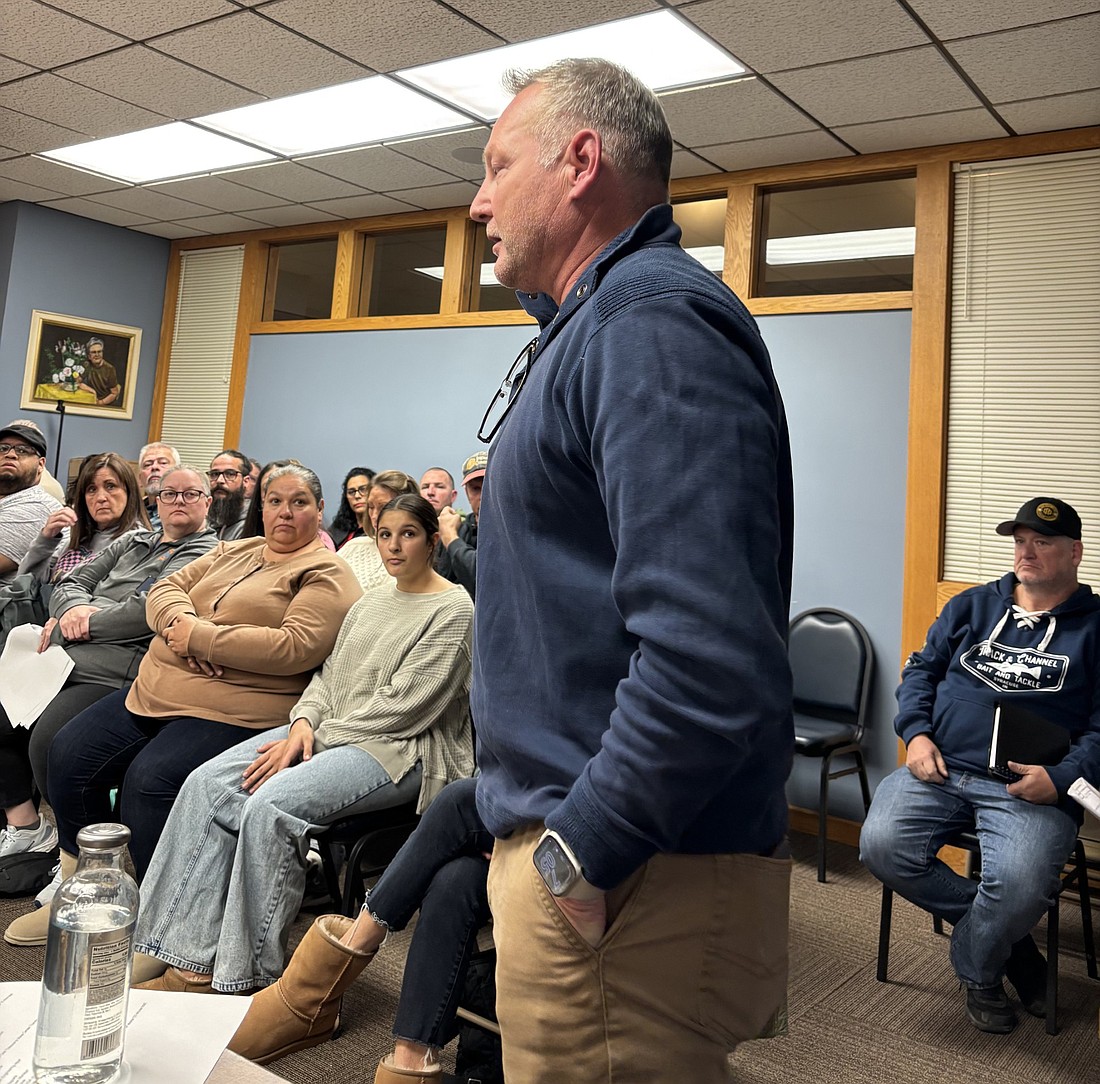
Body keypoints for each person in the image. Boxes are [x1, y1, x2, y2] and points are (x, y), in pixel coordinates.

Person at [468, 59, 794, 1082]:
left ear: (578, 162)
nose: (476, 200)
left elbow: (705, 657)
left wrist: (579, 853)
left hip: (626, 874)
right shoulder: (594, 328)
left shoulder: (644, 323)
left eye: (493, 166)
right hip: (605, 858)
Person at [3, 464, 361, 947]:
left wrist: (201, 637)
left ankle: (163, 921)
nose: (285, 512)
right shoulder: (236, 550)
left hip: (237, 708)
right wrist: (183, 626)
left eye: (299, 502)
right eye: (275, 501)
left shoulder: (327, 572)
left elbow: (294, 647)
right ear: (263, 508)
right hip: (159, 689)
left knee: (149, 782)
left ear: (319, 511)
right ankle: (85, 887)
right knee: (68, 755)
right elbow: (165, 593)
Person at [132, 495, 473, 998]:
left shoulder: (454, 608)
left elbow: (406, 708)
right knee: (206, 785)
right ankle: (182, 957)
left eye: (408, 534)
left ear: (431, 540)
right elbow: (326, 676)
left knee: (271, 806)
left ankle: (245, 976)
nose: (394, 546)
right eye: (384, 534)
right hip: (326, 730)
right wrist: (303, 723)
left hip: (403, 750)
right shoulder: (371, 602)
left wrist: (314, 735)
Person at [860, 496, 1100, 1034]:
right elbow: (920, 674)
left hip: (1028, 786)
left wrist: (1059, 780)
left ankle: (979, 967)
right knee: (880, 846)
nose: (1027, 553)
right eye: (1019, 542)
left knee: (1017, 887)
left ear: (1075, 552)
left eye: (1042, 542)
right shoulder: (970, 607)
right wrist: (916, 736)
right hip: (940, 767)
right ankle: (1013, 951)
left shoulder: (1096, 629)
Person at [0, 466, 217, 911]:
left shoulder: (210, 554)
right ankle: (28, 827)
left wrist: (86, 619)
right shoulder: (134, 540)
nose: (178, 501)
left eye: (191, 494)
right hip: (61, 659)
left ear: (207, 503)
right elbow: (71, 581)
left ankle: (79, 855)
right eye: (169, 493)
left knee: (51, 741)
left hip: (116, 671)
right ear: (155, 500)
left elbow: (147, 611)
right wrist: (77, 605)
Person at [229, 777, 490, 1083]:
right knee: (454, 879)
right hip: (521, 807)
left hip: (551, 838)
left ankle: (309, 993)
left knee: (458, 802)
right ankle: (412, 1065)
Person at [17, 452, 148, 584]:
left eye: (110, 486)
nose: (101, 498)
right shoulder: (77, 539)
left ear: (129, 492)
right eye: (92, 489)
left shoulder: (138, 543)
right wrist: (45, 539)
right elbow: (24, 584)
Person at [0, 420, 63, 585]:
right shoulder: (7, 499)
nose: (11, 454)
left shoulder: (35, 505)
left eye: (23, 450)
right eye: (3, 448)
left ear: (41, 465)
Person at [339, 470, 418, 592]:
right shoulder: (353, 547)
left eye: (383, 507)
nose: (374, 516)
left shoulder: (417, 551)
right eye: (370, 507)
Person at [436, 452, 484, 599]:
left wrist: (450, 538)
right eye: (476, 489)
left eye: (489, 486)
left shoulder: (512, 530)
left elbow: (484, 580)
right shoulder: (460, 529)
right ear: (466, 492)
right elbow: (441, 583)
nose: (482, 496)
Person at [207, 448, 251, 540]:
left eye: (230, 474)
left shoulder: (252, 525)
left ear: (245, 481)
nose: (220, 480)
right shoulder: (201, 519)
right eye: (214, 474)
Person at [330, 465, 376, 549]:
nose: (357, 496)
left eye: (363, 489)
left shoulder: (381, 527)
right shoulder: (338, 527)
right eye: (351, 492)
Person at [137, 442, 180, 530]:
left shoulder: (185, 509)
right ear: (140, 479)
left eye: (163, 463)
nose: (154, 467)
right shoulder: (131, 511)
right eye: (148, 464)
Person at [76, 338, 121, 406]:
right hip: (90, 399)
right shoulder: (87, 365)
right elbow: (77, 382)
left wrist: (101, 402)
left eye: (99, 351)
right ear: (89, 356)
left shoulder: (110, 369)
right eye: (94, 352)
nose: (97, 355)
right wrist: (92, 390)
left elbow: (114, 393)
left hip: (105, 403)